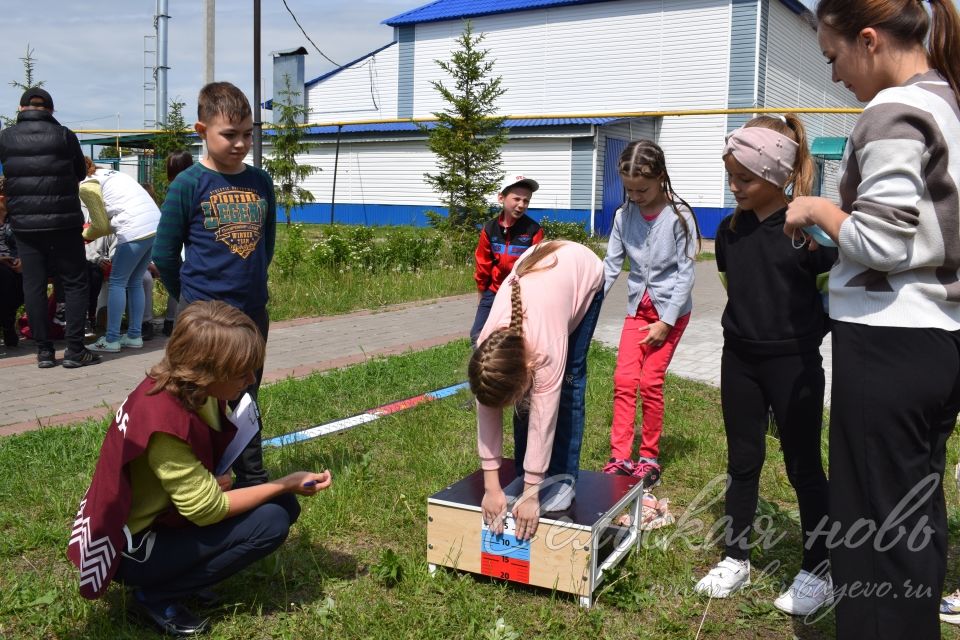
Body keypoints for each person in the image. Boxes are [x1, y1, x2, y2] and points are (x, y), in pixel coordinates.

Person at [782, 1, 960, 636]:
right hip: (935, 340)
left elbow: (883, 244)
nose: (834, 77)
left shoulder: (890, 112)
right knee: (911, 518)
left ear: (869, 39)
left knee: (874, 538)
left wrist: (817, 213)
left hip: (888, 342)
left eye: (834, 58)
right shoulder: (946, 99)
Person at [67, 300, 332, 636]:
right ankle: (155, 595)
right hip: (130, 548)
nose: (251, 380)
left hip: (161, 519)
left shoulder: (191, 388)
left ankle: (182, 575)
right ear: (207, 371)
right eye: (241, 373)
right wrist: (284, 483)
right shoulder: (164, 422)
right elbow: (207, 510)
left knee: (282, 506)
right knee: (272, 519)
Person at [694, 115, 837, 616]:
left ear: (776, 175)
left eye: (745, 179)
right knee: (743, 461)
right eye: (731, 177)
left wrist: (795, 340)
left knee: (803, 466)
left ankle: (818, 566)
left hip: (794, 365)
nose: (735, 187)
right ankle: (736, 557)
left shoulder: (810, 237)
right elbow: (736, 290)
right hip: (741, 361)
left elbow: (828, 303)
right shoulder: (729, 233)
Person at [153, 82, 276, 489]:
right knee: (196, 395)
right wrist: (190, 300)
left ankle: (251, 475)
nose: (241, 143)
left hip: (251, 311)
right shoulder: (187, 184)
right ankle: (197, 475)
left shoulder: (261, 183)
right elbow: (165, 255)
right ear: (201, 129)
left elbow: (266, 244)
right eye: (229, 134)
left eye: (248, 134)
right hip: (203, 316)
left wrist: (251, 286)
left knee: (245, 394)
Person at [471, 240, 603, 541]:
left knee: (568, 385)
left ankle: (563, 478)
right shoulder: (487, 353)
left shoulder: (545, 352)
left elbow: (544, 419)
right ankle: (525, 472)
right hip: (542, 277)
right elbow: (487, 414)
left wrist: (532, 495)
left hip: (583, 272)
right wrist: (492, 487)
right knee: (525, 404)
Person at [600, 140, 699, 489]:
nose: (635, 196)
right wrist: (587, 299)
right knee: (624, 381)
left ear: (660, 178)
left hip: (669, 313)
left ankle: (648, 458)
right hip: (636, 312)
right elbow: (611, 266)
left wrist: (666, 321)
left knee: (649, 383)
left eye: (642, 189)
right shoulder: (622, 216)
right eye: (629, 190)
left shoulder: (680, 216)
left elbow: (686, 273)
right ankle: (620, 458)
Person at [0, 88, 100, 368]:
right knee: (75, 281)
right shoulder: (64, 135)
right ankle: (75, 350)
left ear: (21, 109)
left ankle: (44, 352)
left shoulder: (6, 137)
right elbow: (81, 172)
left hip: (24, 224)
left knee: (33, 285)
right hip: (63, 221)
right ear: (51, 111)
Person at [81, 158, 161, 352]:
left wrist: (84, 234)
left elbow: (100, 225)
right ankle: (134, 336)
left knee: (117, 282)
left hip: (134, 229)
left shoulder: (86, 186)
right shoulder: (111, 174)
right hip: (156, 226)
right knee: (134, 282)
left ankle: (112, 339)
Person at [470, 173, 544, 346]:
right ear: (501, 198)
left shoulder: (533, 230)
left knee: (516, 339)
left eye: (526, 201)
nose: (521, 205)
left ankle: (512, 371)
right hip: (493, 291)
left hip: (520, 294)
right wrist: (482, 292)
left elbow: (536, 267)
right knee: (478, 335)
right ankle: (484, 372)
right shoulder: (489, 229)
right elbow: (482, 263)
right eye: (516, 199)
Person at [159, 150, 193, 337]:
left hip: (179, 246)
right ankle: (171, 319)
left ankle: (171, 320)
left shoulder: (175, 190)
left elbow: (164, 254)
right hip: (189, 250)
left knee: (179, 280)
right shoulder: (197, 184)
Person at [0, 177, 24, 348]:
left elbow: (25, 243)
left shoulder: (15, 219)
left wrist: (22, 260)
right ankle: (8, 324)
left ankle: (8, 322)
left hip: (15, 263)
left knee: (25, 279)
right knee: (5, 276)